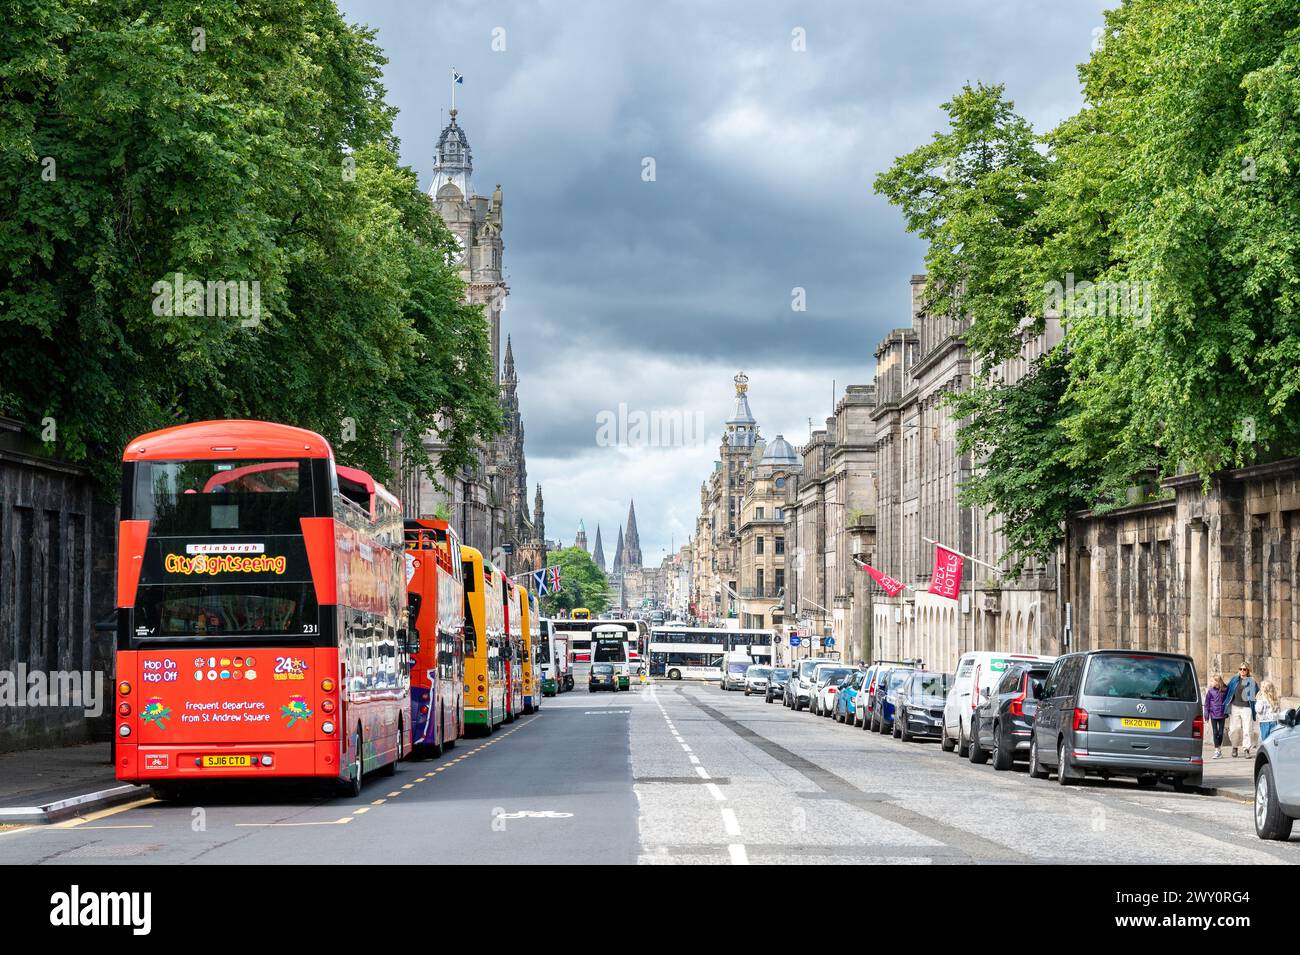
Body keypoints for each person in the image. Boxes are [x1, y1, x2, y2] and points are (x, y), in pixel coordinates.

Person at [1224, 663, 1259, 757]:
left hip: (1247, 707)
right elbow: (1227, 690)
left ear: (1248, 671)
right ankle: (1234, 747)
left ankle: (1246, 749)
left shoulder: (1251, 681)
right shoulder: (1234, 679)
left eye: (1244, 669)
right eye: (1240, 669)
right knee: (1234, 729)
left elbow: (1256, 694)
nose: (1242, 671)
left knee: (1247, 729)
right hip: (1235, 706)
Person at [1204, 674, 1228, 759]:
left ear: (1218, 682)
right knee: (1215, 732)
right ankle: (1217, 750)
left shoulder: (1224, 690)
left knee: (1220, 733)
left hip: (1222, 714)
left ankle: (1219, 748)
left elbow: (1228, 699)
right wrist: (1206, 716)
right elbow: (1206, 704)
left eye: (1212, 681)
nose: (1211, 683)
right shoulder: (1210, 691)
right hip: (1213, 714)